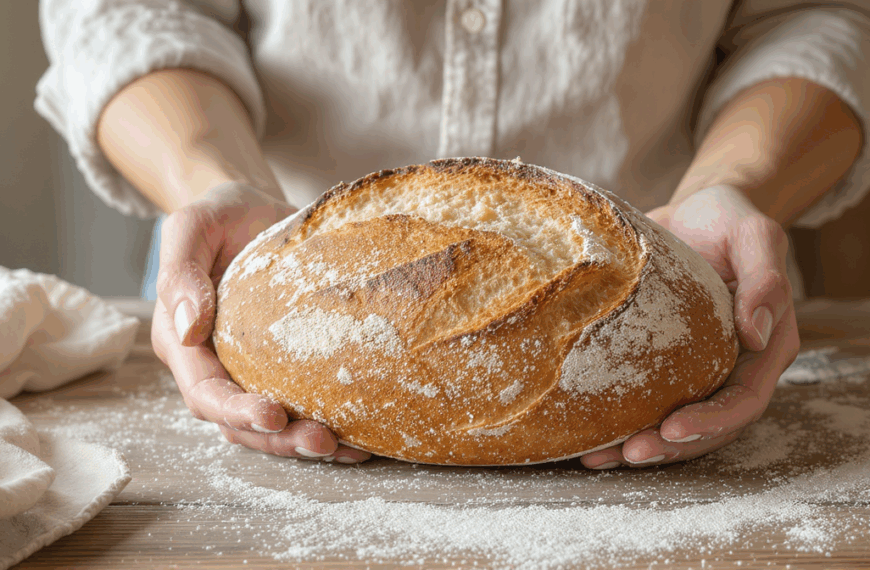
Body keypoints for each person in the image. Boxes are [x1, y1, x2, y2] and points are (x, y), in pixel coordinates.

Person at [36, 1, 868, 468]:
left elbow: (822, 14)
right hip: (277, 272)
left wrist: (737, 186)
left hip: (669, 264)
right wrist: (211, 178)